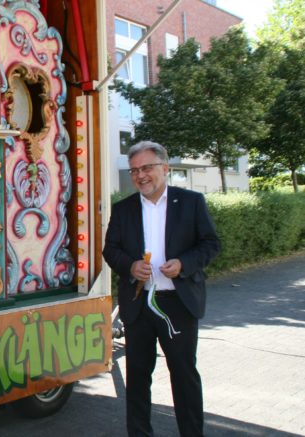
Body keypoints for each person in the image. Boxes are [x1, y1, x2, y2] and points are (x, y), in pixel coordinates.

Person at [103, 141, 220, 437]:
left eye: (147, 168)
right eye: (135, 170)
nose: (141, 175)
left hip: (178, 305)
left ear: (165, 169)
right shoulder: (123, 209)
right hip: (139, 305)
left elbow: (210, 244)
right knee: (138, 377)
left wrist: (183, 263)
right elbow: (111, 250)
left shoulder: (191, 202)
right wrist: (130, 266)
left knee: (184, 376)